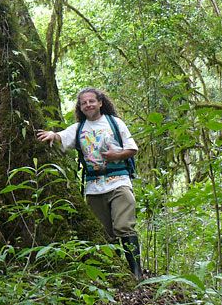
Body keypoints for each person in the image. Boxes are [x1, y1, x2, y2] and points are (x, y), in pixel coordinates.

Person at [36, 87, 143, 280]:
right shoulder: (79, 128)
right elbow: (62, 136)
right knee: (104, 234)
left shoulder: (114, 123)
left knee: (124, 227)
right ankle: (117, 274)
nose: (88, 105)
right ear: (80, 107)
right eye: (83, 103)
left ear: (100, 102)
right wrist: (52, 135)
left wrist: (115, 155)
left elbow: (132, 148)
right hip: (94, 187)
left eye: (91, 101)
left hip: (119, 181)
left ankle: (136, 272)